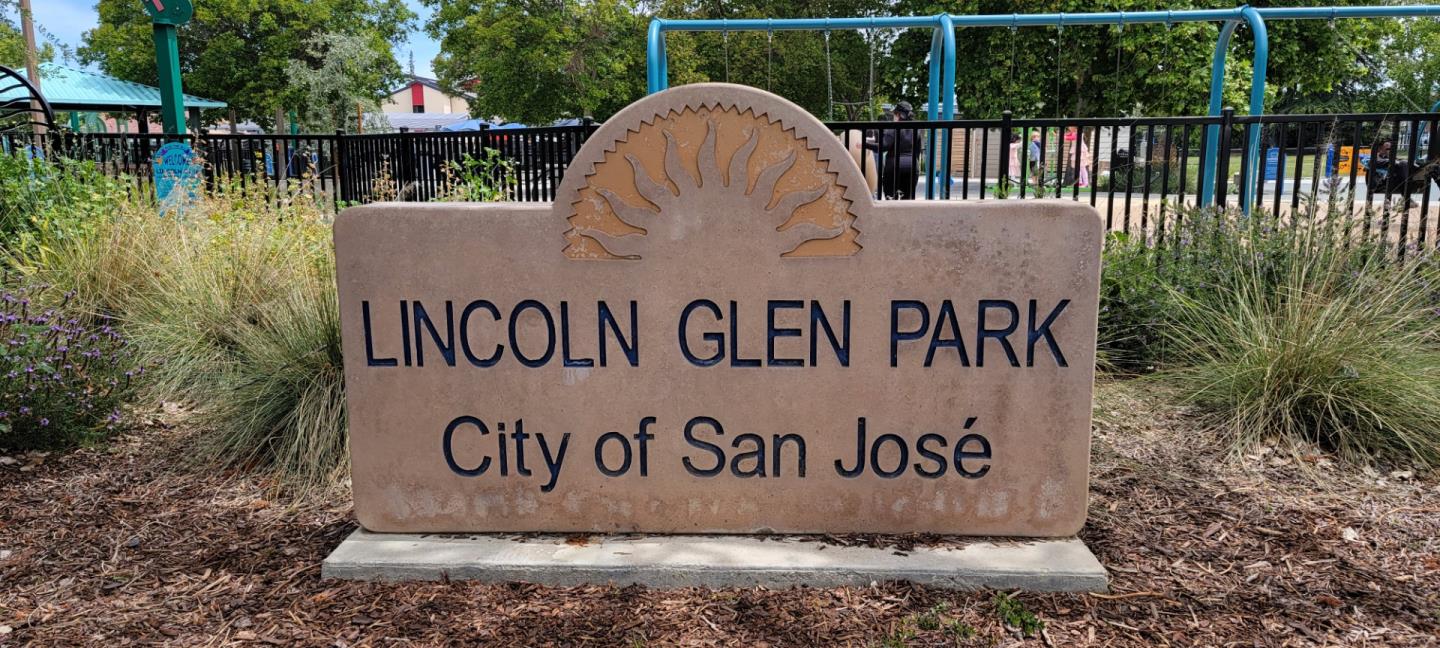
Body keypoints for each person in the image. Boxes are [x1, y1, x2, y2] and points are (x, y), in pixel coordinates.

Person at [864, 101, 920, 199]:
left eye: (894, 114)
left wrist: (865, 145)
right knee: (908, 199)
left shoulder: (894, 128)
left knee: (891, 198)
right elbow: (917, 151)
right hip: (912, 166)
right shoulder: (916, 130)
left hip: (894, 166)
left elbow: (883, 146)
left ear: (898, 115)